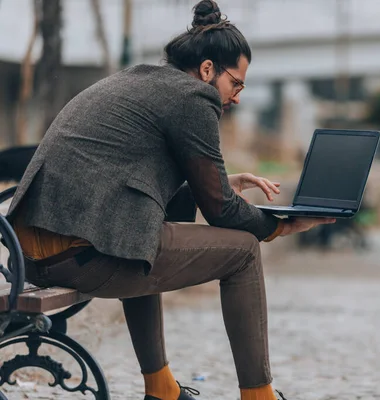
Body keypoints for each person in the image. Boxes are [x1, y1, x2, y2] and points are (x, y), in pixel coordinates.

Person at [7, 1, 335, 399]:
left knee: (141, 237)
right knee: (245, 251)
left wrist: (220, 182)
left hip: (32, 254)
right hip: (79, 253)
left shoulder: (139, 79)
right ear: (208, 70)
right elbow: (221, 211)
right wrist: (279, 226)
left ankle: (161, 390)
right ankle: (259, 395)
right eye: (237, 84)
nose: (236, 97)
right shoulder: (194, 98)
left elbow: (146, 185)